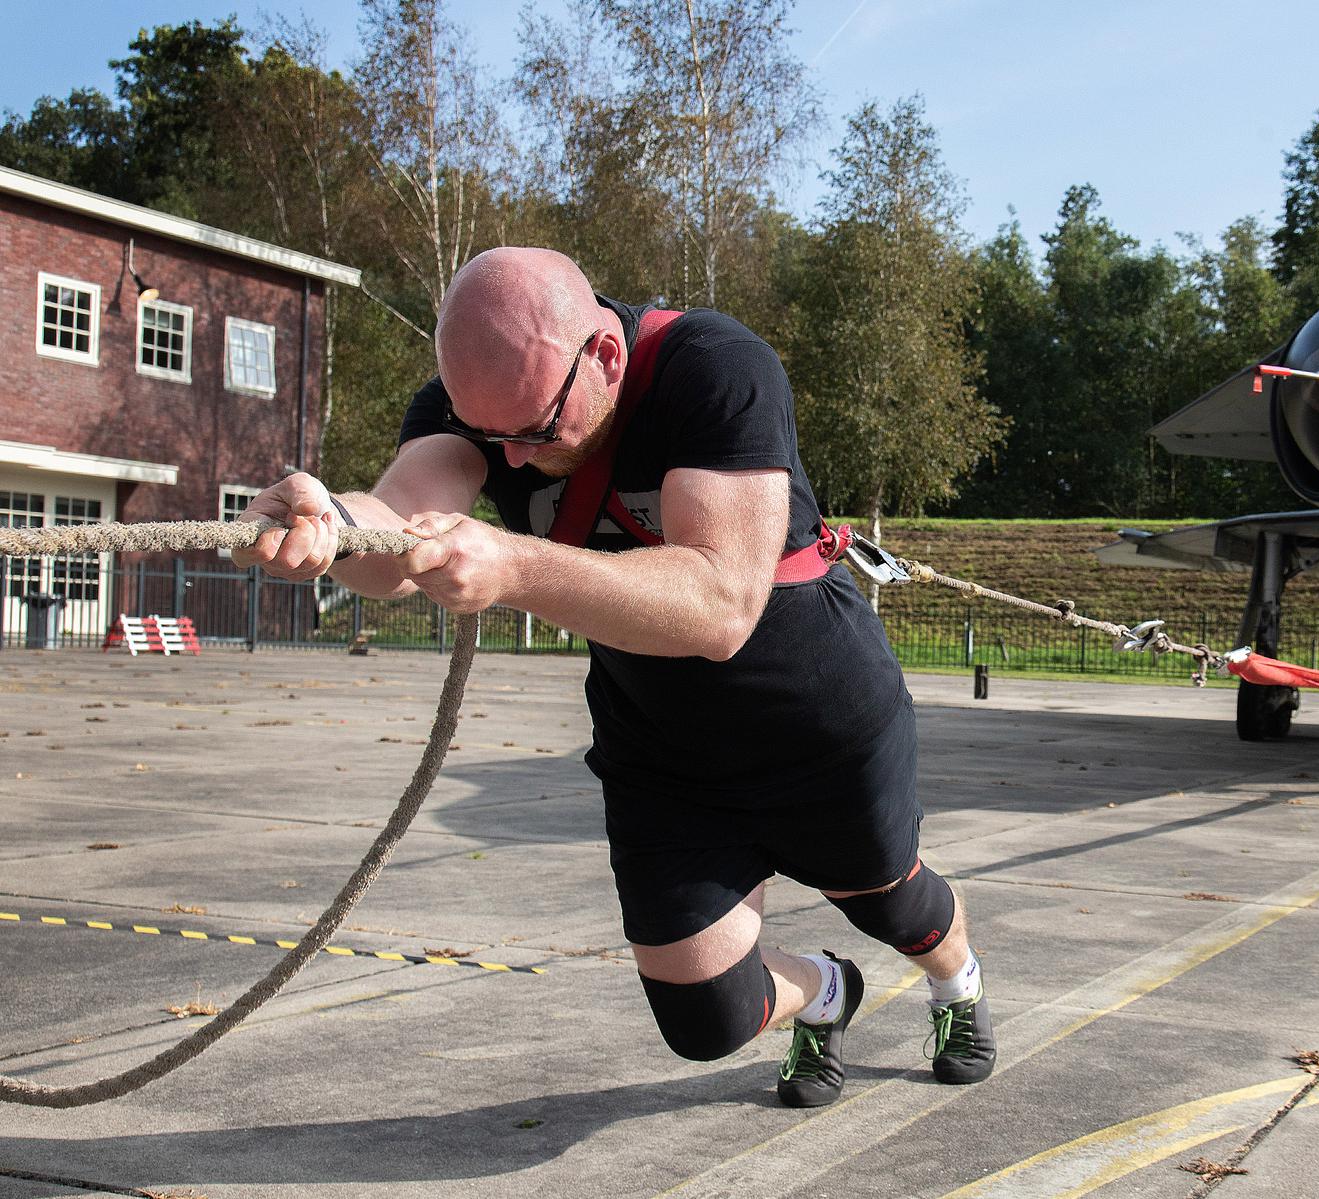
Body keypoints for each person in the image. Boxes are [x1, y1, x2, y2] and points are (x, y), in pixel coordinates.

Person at [234, 246, 995, 1107]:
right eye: (494, 436)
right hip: (661, 744)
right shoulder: (484, 403)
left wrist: (513, 565)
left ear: (601, 355)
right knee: (705, 1018)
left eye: (534, 430)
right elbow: (396, 533)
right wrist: (332, 521)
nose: (512, 463)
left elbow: (719, 604)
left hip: (814, 724)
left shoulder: (714, 367)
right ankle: (828, 992)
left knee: (893, 907)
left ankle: (957, 984)